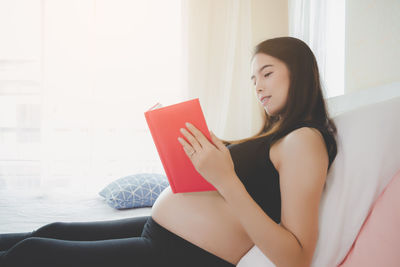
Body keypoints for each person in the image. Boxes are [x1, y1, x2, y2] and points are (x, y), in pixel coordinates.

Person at [0, 36, 337, 267]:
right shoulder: (277, 135)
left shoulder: (305, 140)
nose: (258, 86)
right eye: (253, 79)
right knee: (50, 232)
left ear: (300, 72)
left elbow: (296, 257)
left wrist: (225, 177)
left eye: (267, 73)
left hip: (179, 253)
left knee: (33, 252)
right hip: (162, 232)